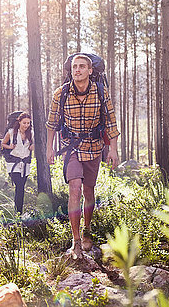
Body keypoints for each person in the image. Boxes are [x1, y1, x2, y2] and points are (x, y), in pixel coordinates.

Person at [46, 54, 119, 259]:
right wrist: (49, 149)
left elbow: (111, 123)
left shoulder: (101, 92)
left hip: (94, 148)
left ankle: (87, 228)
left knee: (88, 191)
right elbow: (51, 124)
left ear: (89, 71)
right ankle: (75, 240)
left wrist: (112, 149)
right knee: (75, 188)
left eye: (81, 67)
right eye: (74, 66)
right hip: (71, 148)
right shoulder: (60, 94)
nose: (77, 70)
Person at [1, 112, 34, 214]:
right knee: (19, 186)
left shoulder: (31, 133)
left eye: (28, 123)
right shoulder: (11, 132)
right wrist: (9, 147)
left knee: (21, 189)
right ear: (19, 122)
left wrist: (33, 147)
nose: (26, 125)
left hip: (25, 165)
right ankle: (18, 212)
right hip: (13, 164)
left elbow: (32, 146)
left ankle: (18, 212)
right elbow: (3, 143)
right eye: (24, 123)